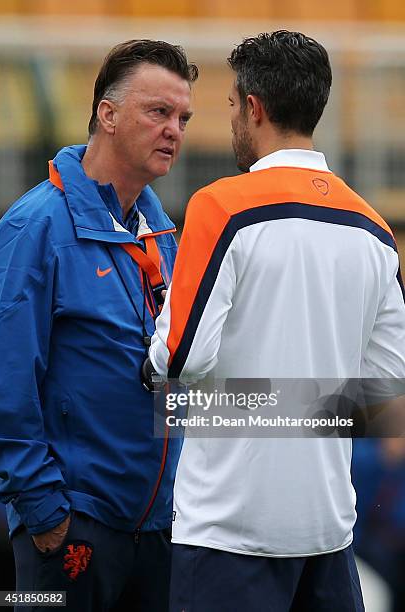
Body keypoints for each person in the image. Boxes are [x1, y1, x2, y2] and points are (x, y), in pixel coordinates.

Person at [148, 31, 405, 611]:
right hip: (329, 533)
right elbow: (387, 385)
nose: (233, 117)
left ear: (255, 107)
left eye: (233, 106)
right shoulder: (373, 229)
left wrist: (153, 362)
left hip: (228, 530)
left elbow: (181, 360)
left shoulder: (221, 206)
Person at [0, 39, 197, 612]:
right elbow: (7, 381)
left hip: (158, 527)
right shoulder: (34, 227)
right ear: (107, 115)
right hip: (70, 529)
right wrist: (44, 513)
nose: (175, 131)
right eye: (158, 112)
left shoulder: (161, 232)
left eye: (183, 118)